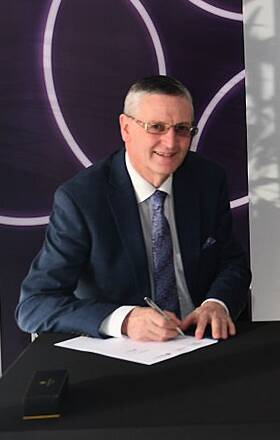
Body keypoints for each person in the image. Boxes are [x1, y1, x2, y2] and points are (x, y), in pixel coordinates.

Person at [17, 75, 251, 341]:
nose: (171, 143)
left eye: (182, 129)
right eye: (157, 127)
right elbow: (34, 305)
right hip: (123, 352)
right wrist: (124, 320)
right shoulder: (82, 199)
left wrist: (216, 303)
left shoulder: (207, 180)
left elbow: (233, 263)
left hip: (199, 341)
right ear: (126, 128)